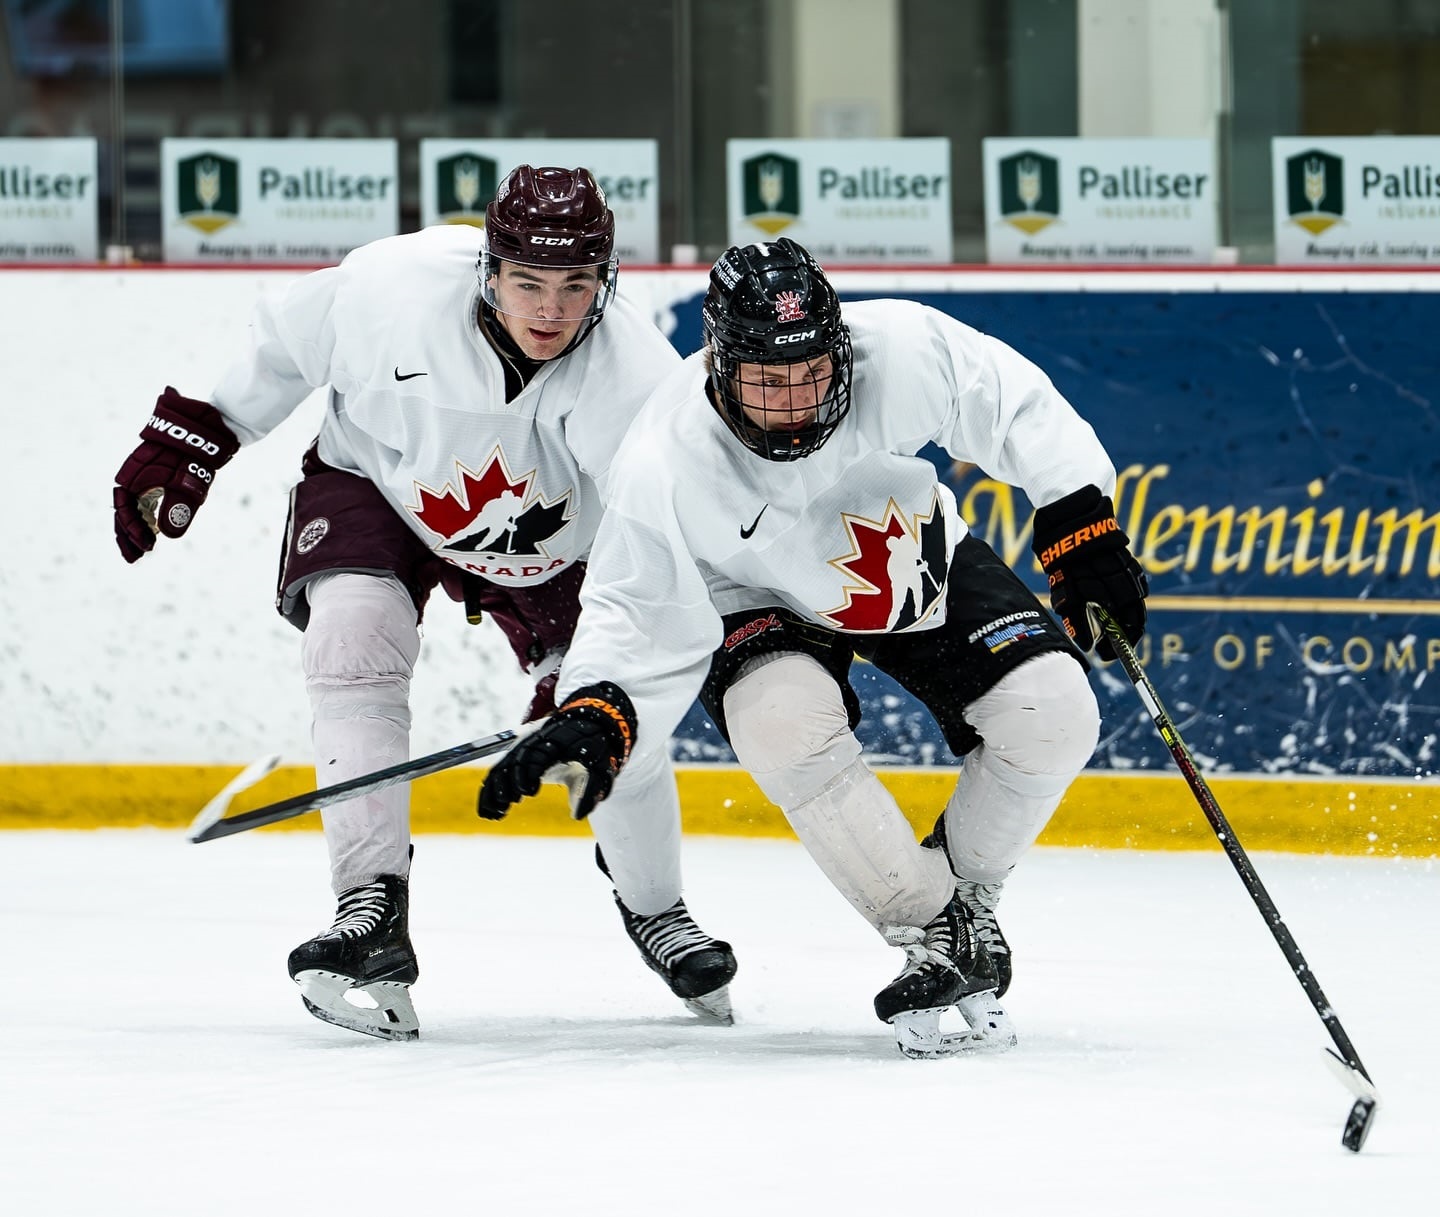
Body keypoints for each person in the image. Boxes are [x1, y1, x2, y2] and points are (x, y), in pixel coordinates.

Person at [477, 237, 1147, 1057]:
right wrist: (598, 707)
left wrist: (1079, 518)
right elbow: (630, 607)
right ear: (720, 365)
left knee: (1054, 709)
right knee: (781, 722)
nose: (796, 401)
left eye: (812, 373)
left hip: (892, 546)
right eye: (768, 380)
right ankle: (934, 928)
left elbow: (1010, 401)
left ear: (838, 346)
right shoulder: (663, 459)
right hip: (748, 591)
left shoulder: (895, 348)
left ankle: (965, 900)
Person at [111, 166, 738, 1040]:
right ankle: (369, 907)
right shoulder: (386, 287)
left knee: (609, 725)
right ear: (489, 269)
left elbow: (655, 551)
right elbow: (283, 347)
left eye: (574, 285)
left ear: (607, 282)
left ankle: (657, 908)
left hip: (551, 544)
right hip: (381, 482)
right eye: (527, 282)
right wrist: (201, 433)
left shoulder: (636, 381)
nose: (549, 310)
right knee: (349, 643)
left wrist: (597, 678)